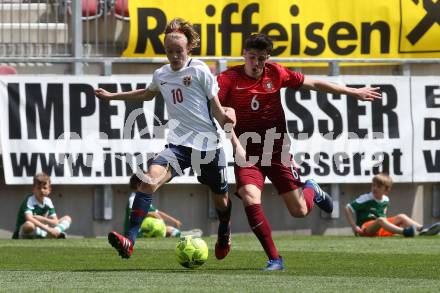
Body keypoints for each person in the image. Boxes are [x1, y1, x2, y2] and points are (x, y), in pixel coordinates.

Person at [217, 33, 382, 270]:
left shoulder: (275, 72)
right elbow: (217, 111)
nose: (256, 63)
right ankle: (275, 259)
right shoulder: (228, 78)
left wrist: (353, 92)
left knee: (300, 211)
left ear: (268, 58)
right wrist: (235, 143)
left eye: (261, 58)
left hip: (277, 151)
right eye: (252, 57)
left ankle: (311, 190)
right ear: (244, 54)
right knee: (250, 198)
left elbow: (314, 83)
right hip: (246, 153)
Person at [95, 18, 235, 260]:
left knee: (221, 201)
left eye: (178, 51)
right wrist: (112, 96)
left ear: (189, 47)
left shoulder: (201, 70)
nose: (174, 56)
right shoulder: (161, 74)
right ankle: (130, 240)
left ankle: (224, 230)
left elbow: (218, 109)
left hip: (207, 146)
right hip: (178, 145)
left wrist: (228, 118)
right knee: (148, 180)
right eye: (169, 51)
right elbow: (147, 94)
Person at [344, 172, 440, 237]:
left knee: (401, 216)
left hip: (379, 229)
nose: (374, 188)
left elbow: (383, 214)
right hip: (365, 229)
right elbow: (347, 208)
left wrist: (387, 225)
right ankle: (405, 232)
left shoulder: (386, 199)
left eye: (378, 186)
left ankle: (423, 230)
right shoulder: (366, 198)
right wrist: (354, 227)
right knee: (381, 220)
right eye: (373, 185)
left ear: (386, 190)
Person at [124, 174, 203, 238]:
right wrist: (151, 214)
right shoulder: (133, 198)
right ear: (139, 185)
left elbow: (157, 212)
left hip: (144, 228)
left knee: (170, 229)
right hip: (136, 232)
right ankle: (186, 235)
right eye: (146, 183)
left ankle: (183, 234)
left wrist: (174, 221)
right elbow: (133, 213)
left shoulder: (143, 198)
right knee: (166, 229)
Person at [12, 172, 72, 239]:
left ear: (49, 190)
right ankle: (47, 234)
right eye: (38, 188)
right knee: (29, 225)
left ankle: (54, 233)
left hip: (43, 228)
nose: (41, 190)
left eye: (45, 188)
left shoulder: (48, 201)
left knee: (67, 218)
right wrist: (48, 229)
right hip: (23, 232)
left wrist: (43, 219)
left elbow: (55, 221)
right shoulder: (29, 200)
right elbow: (29, 218)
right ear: (33, 189)